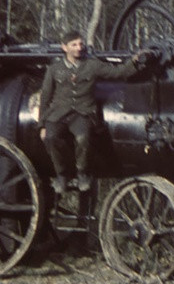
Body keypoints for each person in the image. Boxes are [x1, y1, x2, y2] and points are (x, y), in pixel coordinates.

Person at [39, 30, 147, 194]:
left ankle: (83, 173)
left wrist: (135, 62)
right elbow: (45, 96)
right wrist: (42, 125)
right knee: (51, 137)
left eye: (81, 44)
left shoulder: (93, 65)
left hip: (82, 113)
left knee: (83, 137)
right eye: (74, 45)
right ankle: (61, 175)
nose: (79, 48)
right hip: (58, 114)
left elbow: (117, 72)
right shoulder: (54, 69)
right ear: (64, 47)